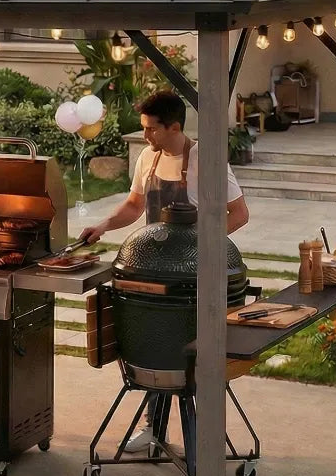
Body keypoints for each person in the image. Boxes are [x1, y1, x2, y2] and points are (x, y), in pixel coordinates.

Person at [77, 89, 250, 452]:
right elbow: (135, 205)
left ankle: (204, 434)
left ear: (174, 126)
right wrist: (104, 225)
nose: (145, 136)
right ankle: (153, 428)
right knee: (151, 347)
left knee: (190, 358)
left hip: (193, 280)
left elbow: (239, 214)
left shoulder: (206, 159)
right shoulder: (148, 158)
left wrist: (198, 249)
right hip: (151, 274)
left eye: (151, 129)